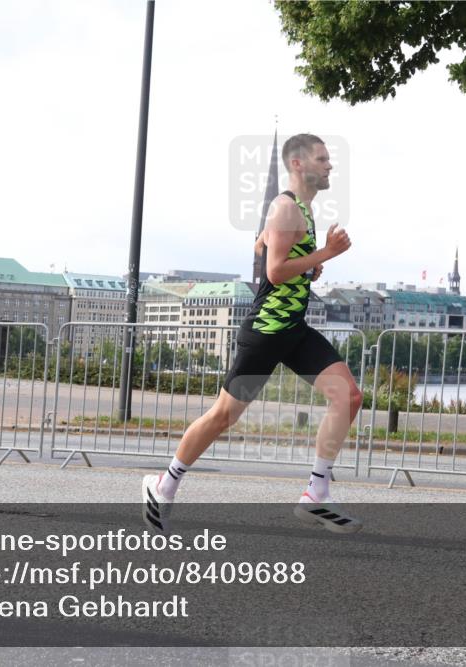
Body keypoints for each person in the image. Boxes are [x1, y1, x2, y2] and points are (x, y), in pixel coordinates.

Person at [142, 133, 363, 534]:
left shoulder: (300, 209)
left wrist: (309, 263)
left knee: (348, 395)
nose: (330, 166)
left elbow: (265, 247)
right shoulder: (285, 208)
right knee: (223, 416)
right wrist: (325, 254)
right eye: (322, 158)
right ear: (298, 164)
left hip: (293, 330)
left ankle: (316, 493)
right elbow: (275, 272)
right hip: (265, 332)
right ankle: (164, 485)